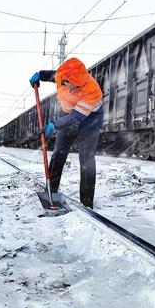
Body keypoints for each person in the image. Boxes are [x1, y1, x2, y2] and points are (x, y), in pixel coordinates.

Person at [29, 57, 103, 209]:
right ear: (65, 80)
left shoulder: (92, 90)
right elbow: (49, 75)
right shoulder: (61, 76)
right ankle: (51, 192)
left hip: (90, 121)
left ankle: (87, 202)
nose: (75, 88)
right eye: (73, 85)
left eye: (78, 86)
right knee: (58, 154)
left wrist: (54, 124)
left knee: (86, 160)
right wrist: (39, 76)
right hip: (67, 114)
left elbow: (76, 117)